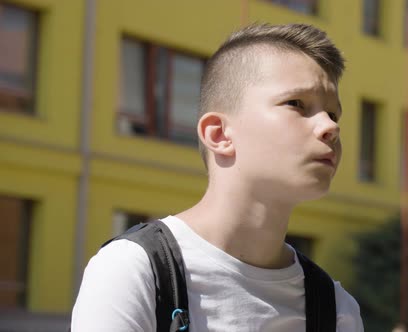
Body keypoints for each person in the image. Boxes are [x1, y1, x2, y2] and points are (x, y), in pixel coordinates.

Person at [71, 23, 363, 331]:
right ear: (220, 134)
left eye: (333, 114)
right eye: (297, 104)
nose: (330, 127)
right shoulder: (135, 271)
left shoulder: (335, 308)